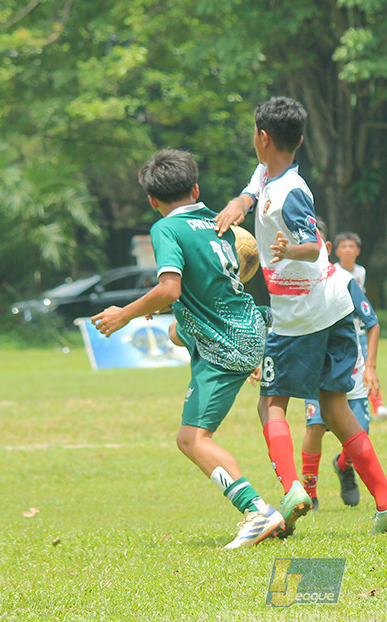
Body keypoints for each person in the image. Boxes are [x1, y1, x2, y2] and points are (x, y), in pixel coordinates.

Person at [214, 96, 387, 536]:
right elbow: (256, 182)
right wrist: (240, 202)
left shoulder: (290, 193)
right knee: (334, 404)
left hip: (300, 315)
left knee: (271, 404)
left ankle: (292, 489)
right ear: (299, 140)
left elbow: (316, 245)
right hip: (336, 307)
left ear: (262, 138)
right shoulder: (271, 173)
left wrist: (292, 249)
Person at [91, 148, 284, 549]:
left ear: (152, 200)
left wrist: (124, 314)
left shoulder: (166, 229)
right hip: (246, 325)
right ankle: (268, 514)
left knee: (191, 439)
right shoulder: (218, 220)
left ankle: (257, 511)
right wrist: (167, 305)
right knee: (176, 333)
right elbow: (199, 284)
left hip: (226, 344)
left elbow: (170, 287)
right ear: (196, 188)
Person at [301, 222, 381, 511]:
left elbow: (372, 323)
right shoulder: (294, 283)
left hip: (350, 363)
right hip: (315, 366)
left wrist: (370, 366)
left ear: (326, 248)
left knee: (359, 431)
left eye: (316, 243)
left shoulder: (344, 280)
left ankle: (344, 466)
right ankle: (309, 492)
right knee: (316, 426)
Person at [333, 232, 387, 421]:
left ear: (358, 251)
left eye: (351, 246)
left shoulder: (361, 272)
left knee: (368, 366)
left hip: (360, 327)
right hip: (344, 328)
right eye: (344, 246)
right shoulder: (334, 272)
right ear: (336, 251)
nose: (347, 250)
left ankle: (377, 407)